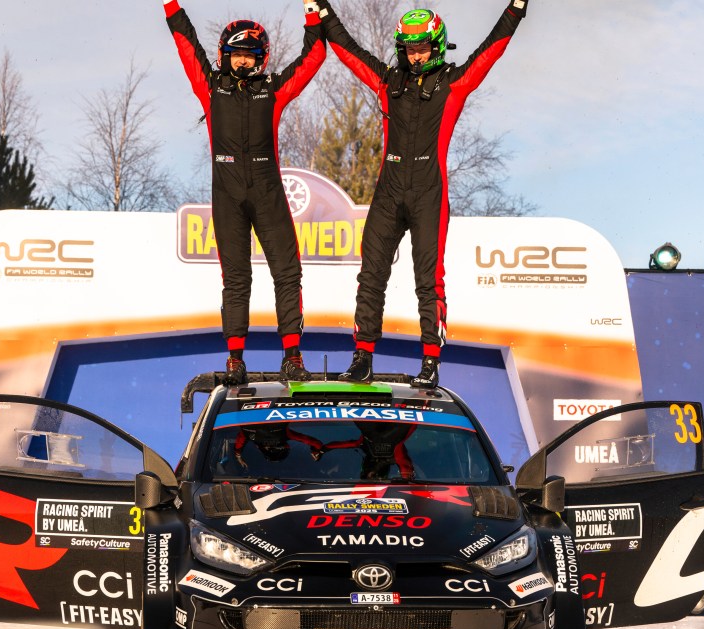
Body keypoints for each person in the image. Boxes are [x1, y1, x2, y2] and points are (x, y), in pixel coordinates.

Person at [316, 0, 529, 388]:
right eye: (409, 48)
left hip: (429, 192)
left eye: (422, 48)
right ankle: (362, 357)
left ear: (437, 45)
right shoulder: (388, 81)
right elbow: (348, 51)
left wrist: (515, 8)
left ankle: (430, 363)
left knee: (428, 280)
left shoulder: (454, 82)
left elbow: (491, 48)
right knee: (371, 274)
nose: (416, 55)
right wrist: (323, 12)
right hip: (389, 190)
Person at [162, 0, 326, 384]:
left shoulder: (273, 89)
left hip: (268, 191)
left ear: (262, 58)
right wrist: (171, 6)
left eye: (249, 56)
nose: (241, 63)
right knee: (236, 279)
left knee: (287, 273)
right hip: (228, 194)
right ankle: (235, 358)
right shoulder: (211, 87)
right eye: (235, 55)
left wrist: (312, 11)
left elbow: (313, 56)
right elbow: (187, 44)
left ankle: (292, 355)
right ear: (224, 56)